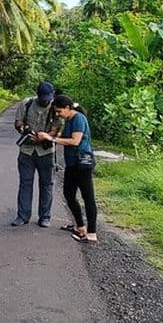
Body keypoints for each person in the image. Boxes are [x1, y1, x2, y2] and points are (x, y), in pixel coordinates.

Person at [37, 95, 98, 243]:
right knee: (69, 195)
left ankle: (92, 234)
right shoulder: (69, 120)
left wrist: (51, 139)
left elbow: (75, 141)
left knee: (87, 197)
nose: (58, 115)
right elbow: (64, 136)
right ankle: (80, 226)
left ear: (68, 108)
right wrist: (48, 136)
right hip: (72, 164)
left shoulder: (78, 119)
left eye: (59, 111)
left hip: (82, 163)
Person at [12, 81, 62, 228]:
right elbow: (17, 122)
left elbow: (57, 128)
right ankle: (23, 216)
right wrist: (24, 130)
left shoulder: (55, 107)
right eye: (42, 97)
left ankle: (45, 216)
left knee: (47, 185)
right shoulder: (26, 104)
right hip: (27, 150)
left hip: (46, 152)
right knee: (25, 183)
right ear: (37, 95)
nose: (45, 100)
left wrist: (44, 136)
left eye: (47, 98)